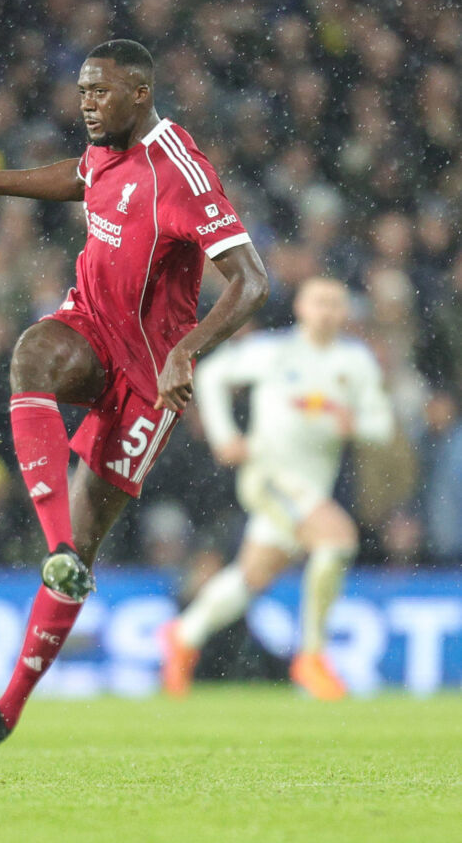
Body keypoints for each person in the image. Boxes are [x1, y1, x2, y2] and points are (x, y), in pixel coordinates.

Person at [0, 40, 268, 759]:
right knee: (32, 355)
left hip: (150, 378)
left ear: (139, 94)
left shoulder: (178, 170)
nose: (85, 103)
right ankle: (56, 549)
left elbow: (252, 279)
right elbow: (79, 179)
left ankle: (4, 713)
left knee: (90, 536)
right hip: (92, 327)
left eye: (100, 92)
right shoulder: (106, 149)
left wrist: (186, 350)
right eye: (81, 90)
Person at [162, 277, 393, 700]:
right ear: (302, 308)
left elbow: (382, 425)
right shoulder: (273, 351)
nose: (326, 310)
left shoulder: (355, 362)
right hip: (270, 475)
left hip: (311, 486)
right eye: (318, 301)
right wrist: (224, 436)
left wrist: (355, 425)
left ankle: (183, 635)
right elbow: (211, 374)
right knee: (338, 539)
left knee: (253, 576)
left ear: (345, 313)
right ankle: (312, 656)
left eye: (336, 303)